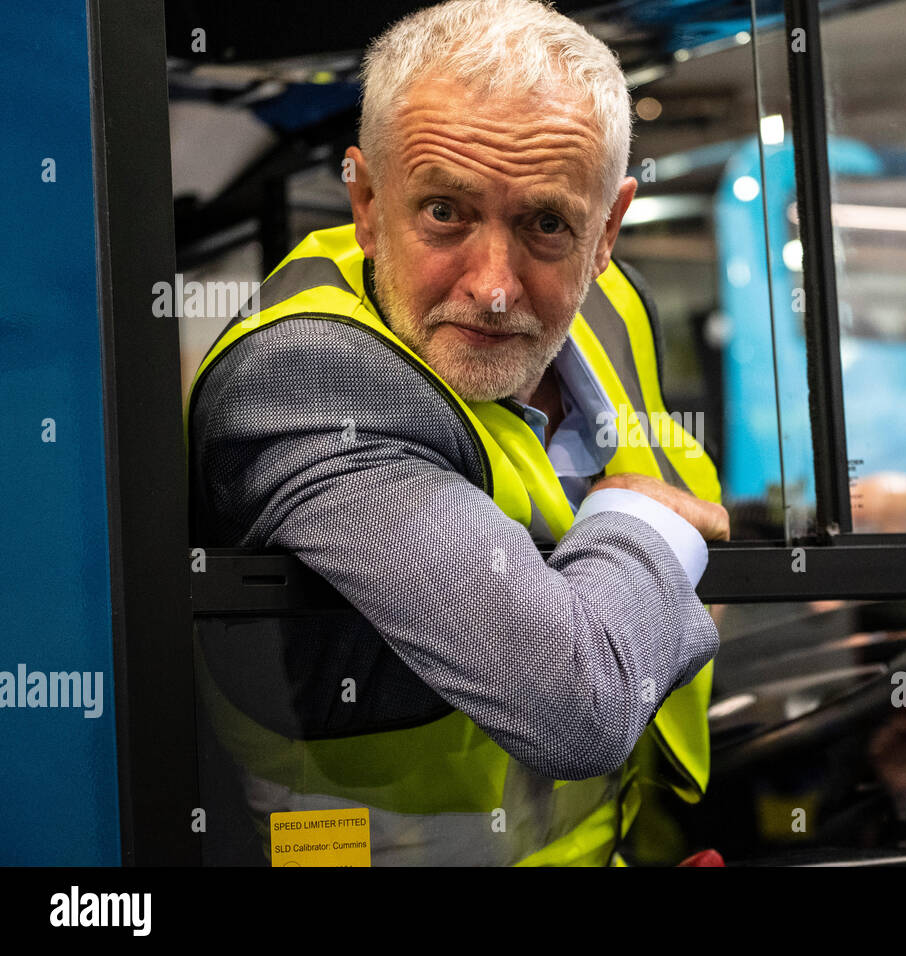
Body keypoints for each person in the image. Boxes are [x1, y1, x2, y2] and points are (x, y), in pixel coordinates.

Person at [187, 0, 728, 866]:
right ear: (364, 200)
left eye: (548, 224)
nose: (496, 288)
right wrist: (650, 533)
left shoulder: (614, 309)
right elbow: (575, 704)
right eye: (444, 211)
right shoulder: (304, 378)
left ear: (608, 231)